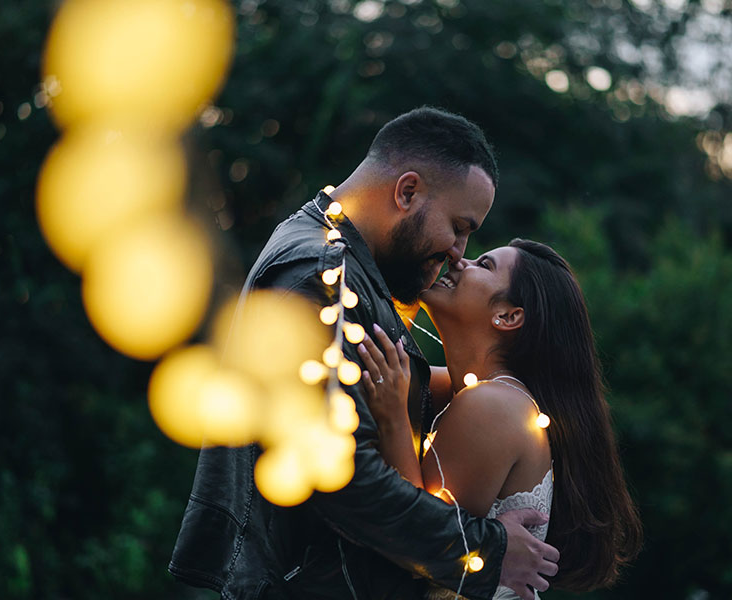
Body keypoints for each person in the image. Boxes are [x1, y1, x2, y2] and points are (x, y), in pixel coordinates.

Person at [169, 107, 559, 600]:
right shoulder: (321, 276)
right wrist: (487, 552)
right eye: (459, 226)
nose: (459, 251)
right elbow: (338, 473)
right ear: (407, 191)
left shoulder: (341, 263)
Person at [358, 239, 643, 599]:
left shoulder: (492, 406)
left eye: (485, 265)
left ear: (508, 316)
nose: (460, 261)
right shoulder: (474, 392)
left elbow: (414, 539)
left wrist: (393, 419)